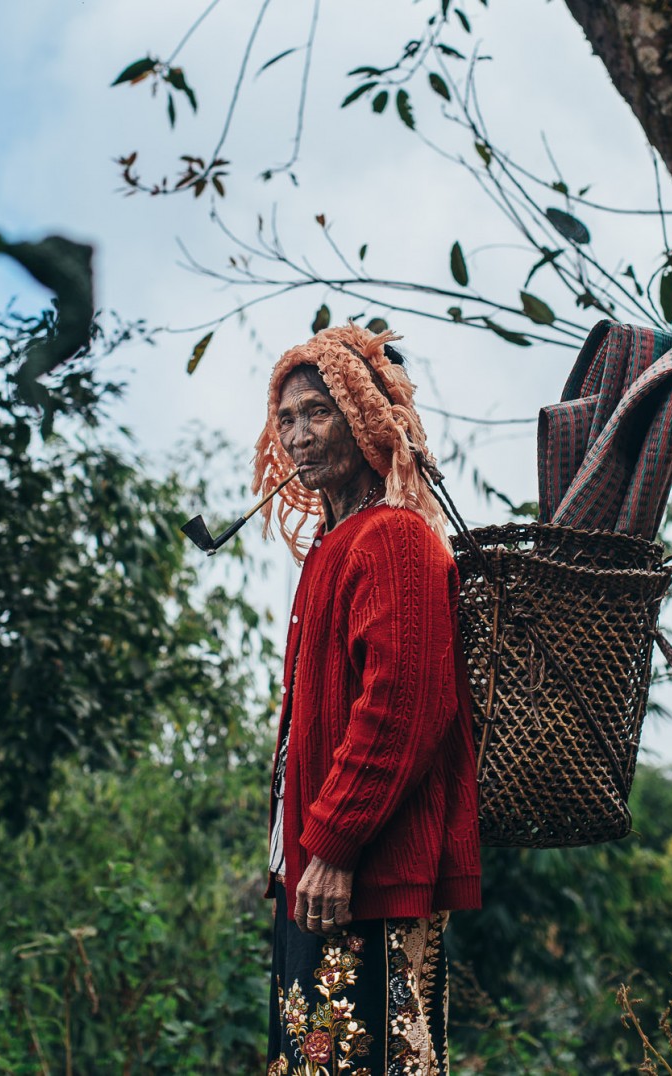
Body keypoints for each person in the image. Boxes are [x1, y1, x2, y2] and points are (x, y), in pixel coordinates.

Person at [253, 323, 480, 1075]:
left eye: (316, 412)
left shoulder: (394, 538)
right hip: (317, 877)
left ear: (365, 417)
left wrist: (335, 844)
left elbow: (404, 707)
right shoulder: (332, 546)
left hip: (367, 880)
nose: (297, 435)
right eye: (286, 419)